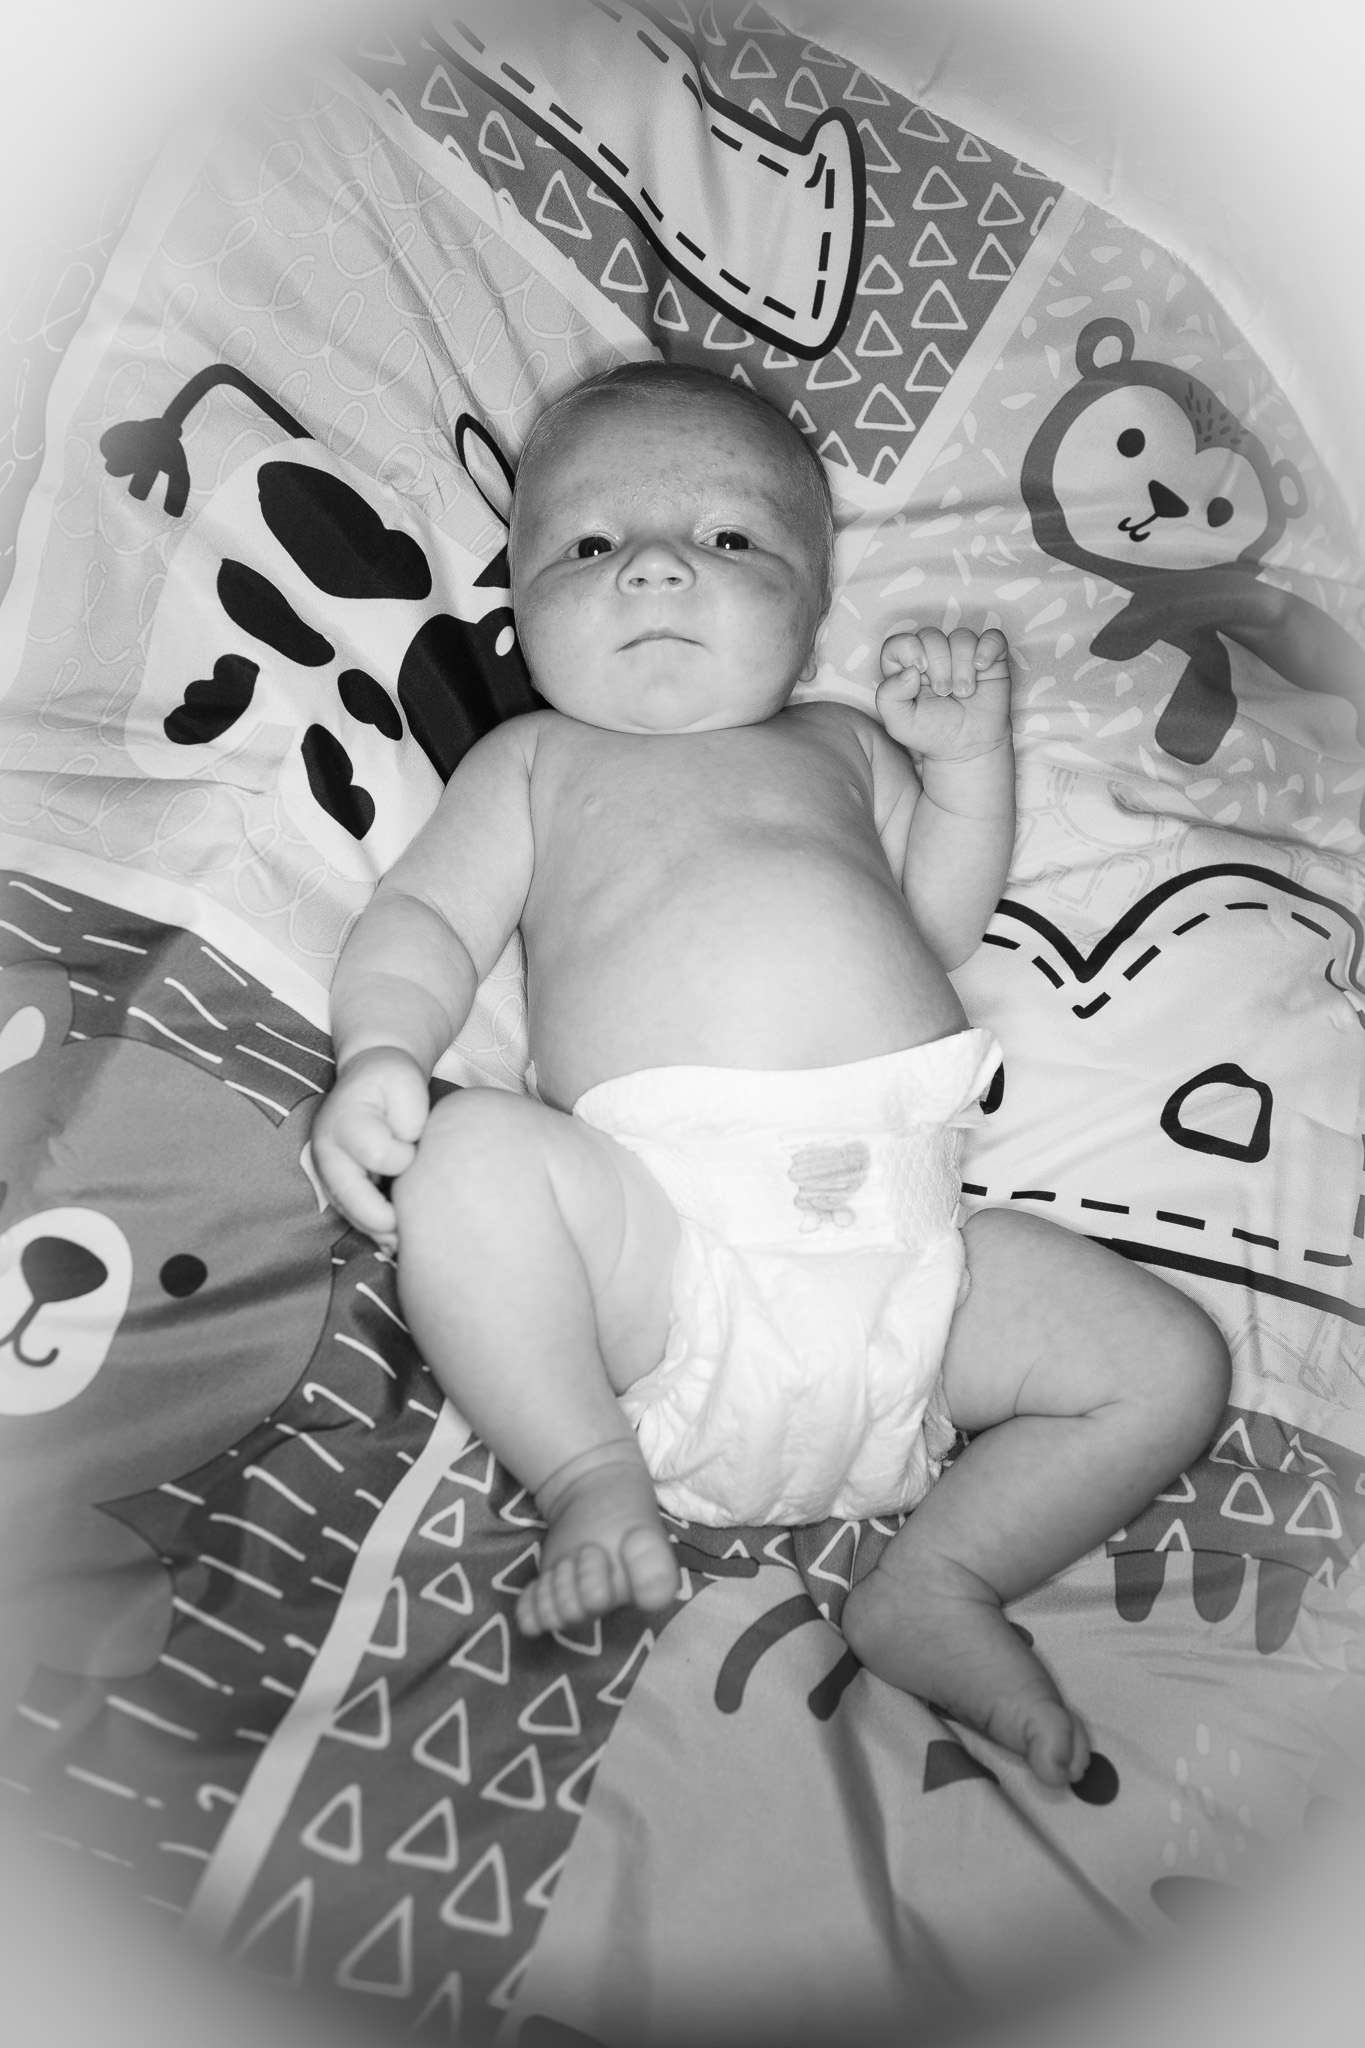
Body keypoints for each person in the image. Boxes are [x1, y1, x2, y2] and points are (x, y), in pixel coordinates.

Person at [310, 362, 1230, 1787]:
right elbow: (425, 918)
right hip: (665, 1258)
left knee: (1166, 1366)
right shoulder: (536, 764)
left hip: (919, 1279)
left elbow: (936, 921)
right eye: (590, 545)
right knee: (468, 1156)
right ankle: (586, 1476)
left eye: (727, 538)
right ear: (520, 606)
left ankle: (940, 1582)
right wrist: (381, 1051)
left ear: (809, 614)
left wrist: (966, 768)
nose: (655, 566)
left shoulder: (841, 745)